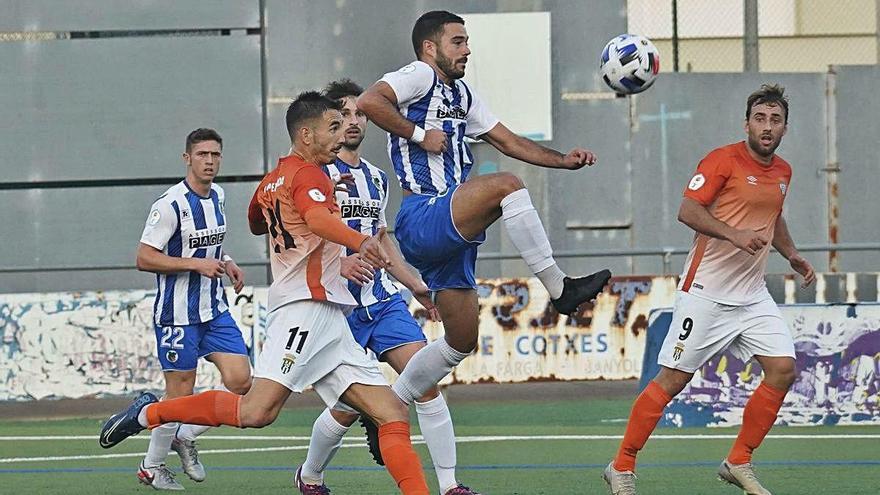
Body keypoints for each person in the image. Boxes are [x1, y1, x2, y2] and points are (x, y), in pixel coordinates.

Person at [100, 93, 431, 495]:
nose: (342, 131)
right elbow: (315, 220)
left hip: (329, 316)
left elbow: (259, 220)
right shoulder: (309, 175)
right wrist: (359, 241)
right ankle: (150, 412)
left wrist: (313, 214)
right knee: (256, 412)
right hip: (303, 311)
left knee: (391, 411)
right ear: (306, 135)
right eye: (333, 125)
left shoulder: (277, 178)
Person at [356, 9, 612, 437]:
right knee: (507, 186)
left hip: (452, 232)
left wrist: (562, 160)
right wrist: (419, 135)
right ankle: (560, 289)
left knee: (460, 341)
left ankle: (387, 410)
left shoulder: (463, 96)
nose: (467, 49)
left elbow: (507, 141)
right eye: (458, 41)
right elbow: (369, 101)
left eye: (467, 41)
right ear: (430, 47)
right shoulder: (419, 75)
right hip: (424, 215)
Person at [602, 84, 816, 495]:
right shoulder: (723, 160)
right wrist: (733, 235)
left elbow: (774, 216)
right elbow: (687, 210)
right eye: (760, 118)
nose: (767, 127)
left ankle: (738, 461)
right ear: (746, 123)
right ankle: (622, 466)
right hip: (706, 293)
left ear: (785, 127)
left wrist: (791, 254)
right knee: (672, 380)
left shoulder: (784, 171)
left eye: (775, 120)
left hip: (752, 296)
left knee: (783, 369)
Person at [293, 79, 477, 495]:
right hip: (337, 309)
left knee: (426, 382)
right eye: (342, 116)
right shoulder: (315, 175)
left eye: (359, 113)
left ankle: (449, 486)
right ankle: (310, 475)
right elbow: (299, 237)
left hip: (383, 302)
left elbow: (382, 241)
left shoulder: (376, 177)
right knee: (346, 408)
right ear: (328, 125)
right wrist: (339, 263)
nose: (353, 122)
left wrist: (415, 284)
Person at [134, 128, 252, 490]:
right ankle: (152, 466)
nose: (210, 161)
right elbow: (143, 257)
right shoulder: (169, 204)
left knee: (242, 382)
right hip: (177, 315)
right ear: (187, 158)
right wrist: (194, 264)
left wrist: (225, 260)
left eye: (215, 154)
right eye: (202, 154)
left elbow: (209, 244)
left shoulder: (218, 195)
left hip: (213, 310)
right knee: (179, 395)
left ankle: (185, 435)